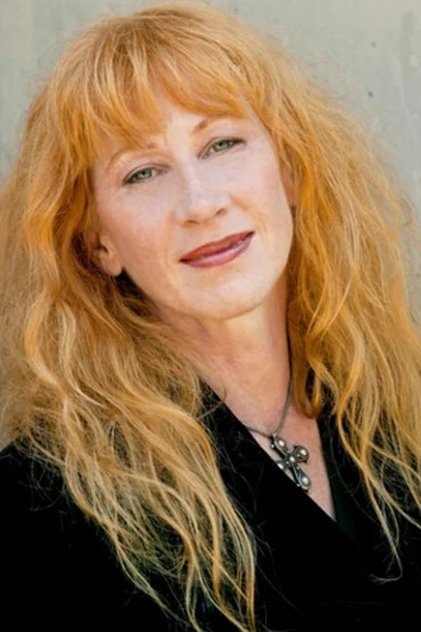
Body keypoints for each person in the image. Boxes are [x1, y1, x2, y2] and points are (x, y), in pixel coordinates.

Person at [0, 2, 420, 630]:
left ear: (291, 170)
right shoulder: (43, 508)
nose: (200, 202)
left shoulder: (396, 408)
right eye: (142, 172)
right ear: (99, 242)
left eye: (221, 143)